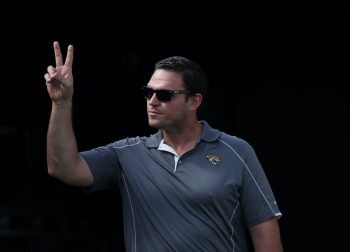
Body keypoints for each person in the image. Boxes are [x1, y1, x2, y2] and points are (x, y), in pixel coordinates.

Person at [44, 41, 284, 252]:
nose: (152, 101)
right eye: (148, 93)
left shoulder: (237, 151)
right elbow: (62, 167)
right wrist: (61, 103)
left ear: (194, 101)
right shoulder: (127, 154)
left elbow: (264, 228)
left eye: (164, 95)